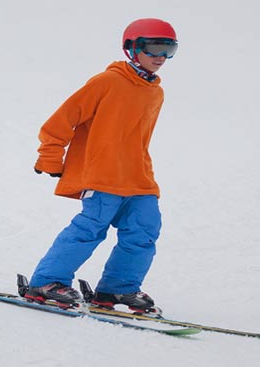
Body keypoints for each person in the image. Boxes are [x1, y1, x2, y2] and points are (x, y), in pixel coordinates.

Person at [25, 18, 178, 314]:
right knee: (90, 228)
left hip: (138, 177)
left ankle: (117, 289)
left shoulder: (155, 92)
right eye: (155, 47)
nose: (161, 57)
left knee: (144, 230)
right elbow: (60, 122)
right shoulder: (106, 82)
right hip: (102, 175)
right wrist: (50, 157)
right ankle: (47, 282)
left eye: (169, 49)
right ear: (132, 48)